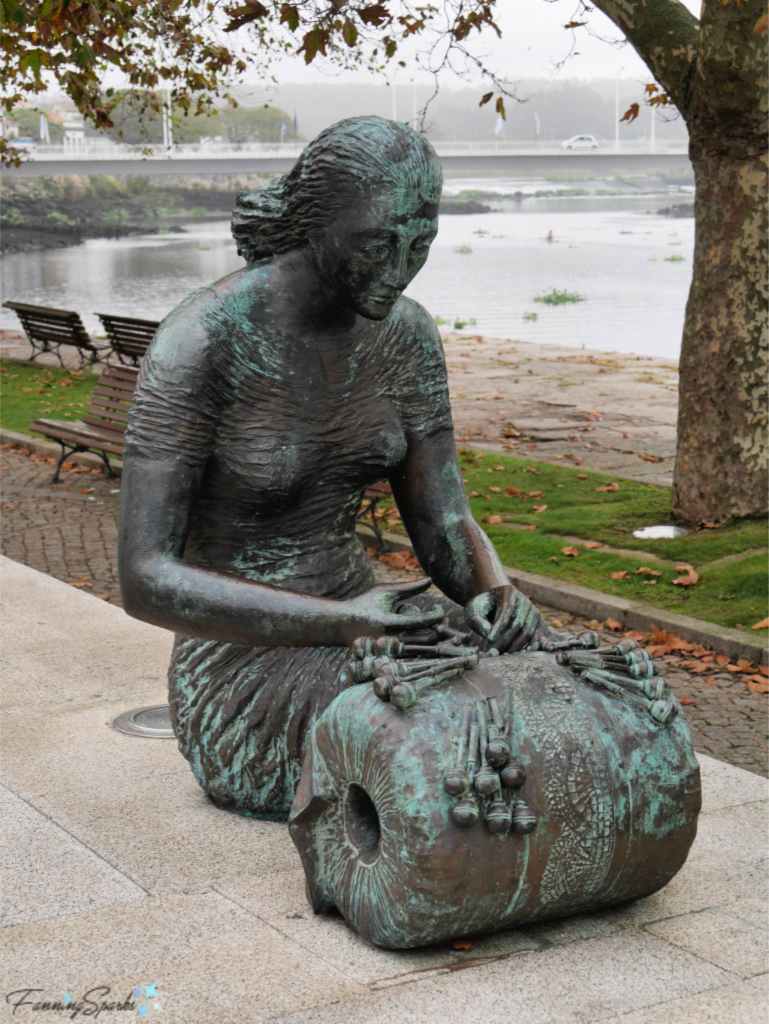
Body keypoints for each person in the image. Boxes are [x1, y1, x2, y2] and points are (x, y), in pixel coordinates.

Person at [118, 116, 547, 820]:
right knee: (455, 740)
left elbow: (443, 518)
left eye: (422, 241)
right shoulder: (199, 343)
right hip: (244, 662)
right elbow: (145, 579)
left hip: (372, 624)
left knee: (548, 686)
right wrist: (340, 623)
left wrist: (492, 590)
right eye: (377, 243)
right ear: (315, 224)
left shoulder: (407, 335)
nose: (401, 266)